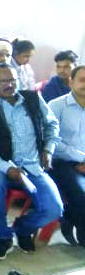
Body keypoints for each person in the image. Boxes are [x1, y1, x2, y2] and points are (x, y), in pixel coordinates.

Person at [0, 63, 62, 260]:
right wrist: (7, 167)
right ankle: (3, 236)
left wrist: (48, 150)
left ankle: (22, 228)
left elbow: (52, 124)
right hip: (0, 165)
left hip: (32, 164)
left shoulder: (33, 99)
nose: (9, 85)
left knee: (55, 208)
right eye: (3, 81)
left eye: (13, 80)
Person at [49, 65, 85, 246]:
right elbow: (51, 141)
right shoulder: (56, 106)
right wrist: (81, 158)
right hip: (60, 162)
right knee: (82, 193)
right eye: (82, 80)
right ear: (71, 82)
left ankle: (69, 215)